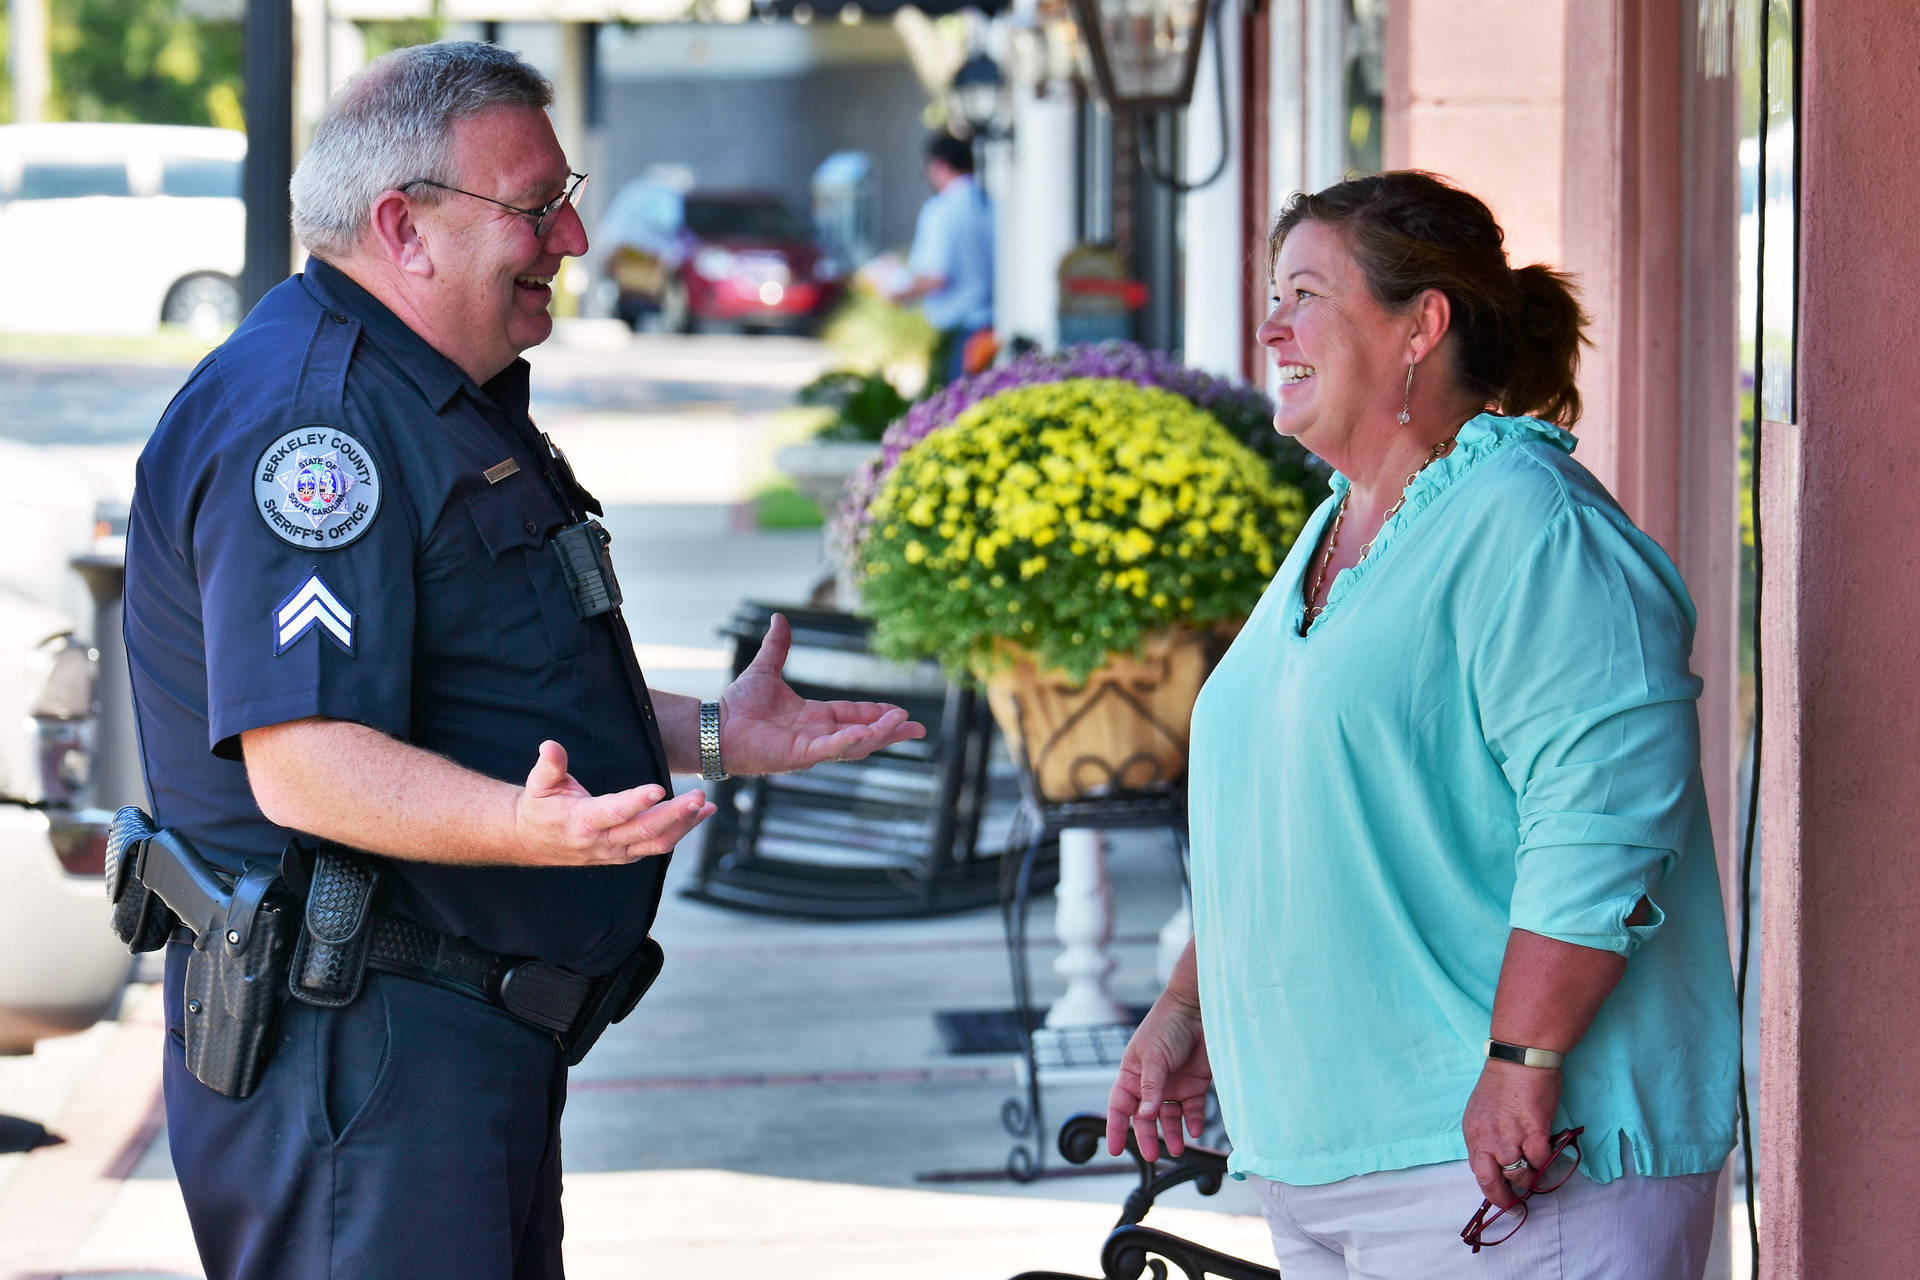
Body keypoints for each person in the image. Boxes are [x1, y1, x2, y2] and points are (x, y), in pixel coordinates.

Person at [121, 41, 923, 1280]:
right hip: (358, 1072)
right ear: (407, 226)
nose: (574, 242)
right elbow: (307, 761)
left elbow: (487, 689)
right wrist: (528, 827)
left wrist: (713, 735)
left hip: (444, 1055)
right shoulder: (316, 421)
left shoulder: (428, 393)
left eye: (568, 200)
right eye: (538, 208)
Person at [1105, 170, 1739, 1277]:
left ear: (1420, 326)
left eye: (1304, 292)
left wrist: (1522, 1056)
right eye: (1273, 293)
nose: (1270, 326)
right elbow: (1303, 825)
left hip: (1510, 1161)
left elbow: (1604, 820)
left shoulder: (1531, 523)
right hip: (1329, 1159)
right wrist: (1185, 1003)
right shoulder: (1334, 534)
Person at [891, 130, 994, 389]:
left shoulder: (941, 210)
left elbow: (936, 277)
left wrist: (898, 291)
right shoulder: (991, 204)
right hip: (995, 322)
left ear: (939, 165)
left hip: (964, 332)